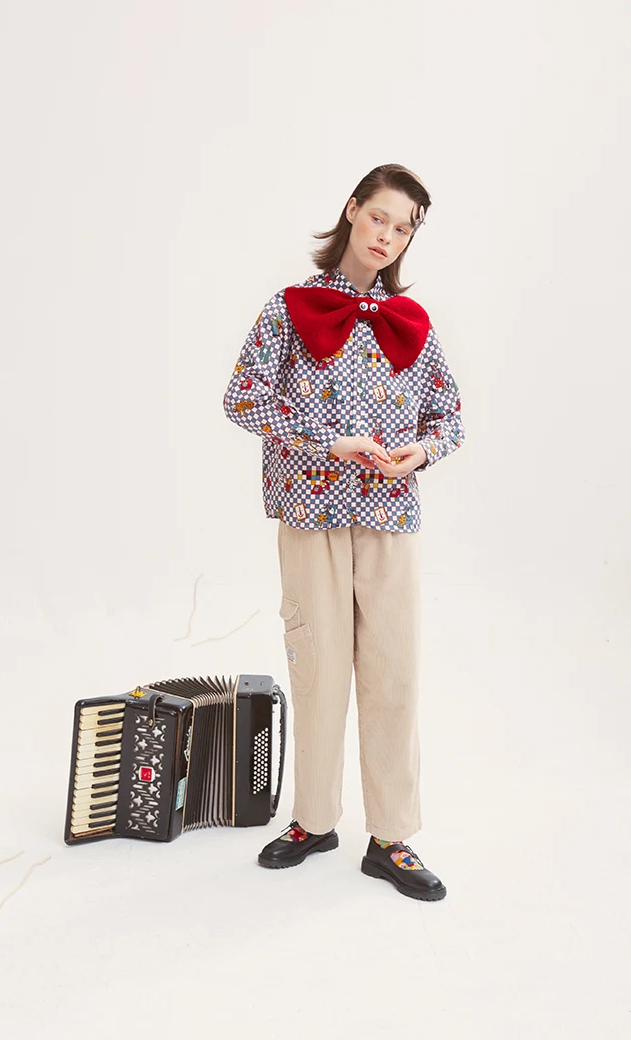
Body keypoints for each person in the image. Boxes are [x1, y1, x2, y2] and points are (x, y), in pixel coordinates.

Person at [222, 164, 465, 901]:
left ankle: (391, 837)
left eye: (404, 227)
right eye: (379, 217)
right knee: (319, 669)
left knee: (393, 674)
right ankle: (314, 820)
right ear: (353, 210)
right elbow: (241, 398)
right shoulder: (290, 308)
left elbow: (449, 415)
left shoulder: (412, 324)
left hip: (389, 520)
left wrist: (421, 451)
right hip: (311, 514)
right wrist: (329, 443)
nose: (388, 235)